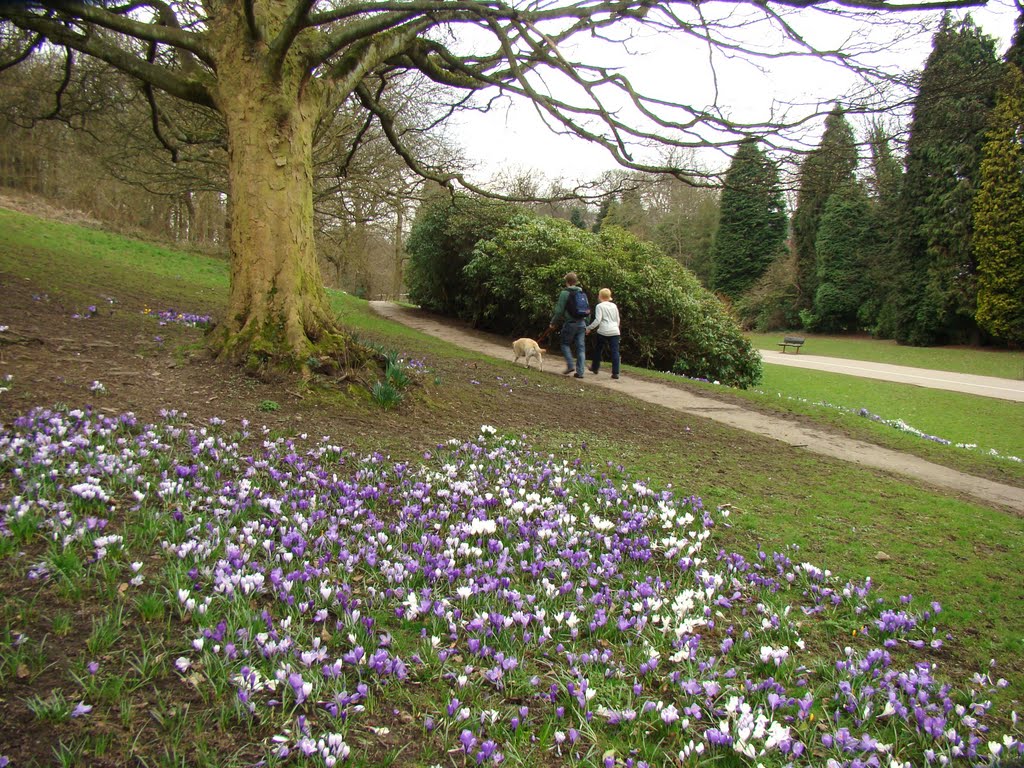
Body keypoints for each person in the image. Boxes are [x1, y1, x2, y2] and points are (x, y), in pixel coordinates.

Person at [548, 272, 589, 378]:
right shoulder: (582, 293)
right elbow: (587, 309)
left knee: (564, 344)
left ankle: (570, 365)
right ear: (576, 282)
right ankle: (580, 372)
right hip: (582, 323)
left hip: (570, 323)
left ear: (567, 282)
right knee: (581, 348)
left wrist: (553, 322)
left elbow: (559, 310)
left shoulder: (564, 293)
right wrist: (587, 325)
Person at [586, 287, 621, 379]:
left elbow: (598, 320)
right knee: (615, 352)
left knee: (598, 349)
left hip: (603, 331)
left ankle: (595, 367)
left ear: (600, 296)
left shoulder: (600, 306)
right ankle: (615, 372)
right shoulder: (614, 306)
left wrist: (589, 328)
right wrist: (616, 327)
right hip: (614, 331)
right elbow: (617, 319)